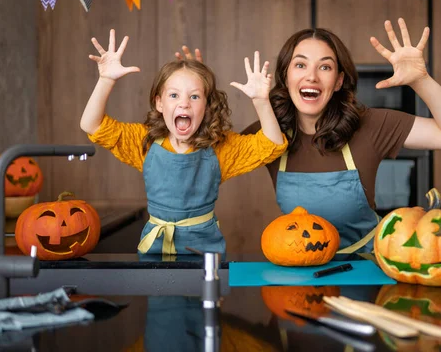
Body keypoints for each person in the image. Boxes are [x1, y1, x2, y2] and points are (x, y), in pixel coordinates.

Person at [176, 18, 441, 254]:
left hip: (366, 272)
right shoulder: (268, 134)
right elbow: (202, 159)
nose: (312, 76)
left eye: (325, 67)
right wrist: (198, 93)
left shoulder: (370, 124)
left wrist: (421, 80)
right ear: (286, 77)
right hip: (300, 269)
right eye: (300, 64)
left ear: (338, 82)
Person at [80, 29, 287, 256]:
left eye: (195, 96)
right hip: (155, 249)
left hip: (205, 251)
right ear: (159, 103)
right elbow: (91, 125)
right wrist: (106, 80)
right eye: (174, 95)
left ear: (207, 107)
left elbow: (273, 144)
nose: (184, 104)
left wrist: (261, 101)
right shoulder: (144, 142)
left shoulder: (220, 149)